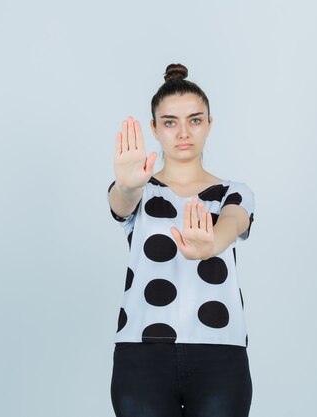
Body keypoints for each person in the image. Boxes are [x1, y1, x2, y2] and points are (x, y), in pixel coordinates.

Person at [107, 63, 255, 417]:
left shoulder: (233, 192)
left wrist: (212, 243)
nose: (183, 132)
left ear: (209, 124)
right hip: (142, 354)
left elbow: (234, 221)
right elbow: (120, 203)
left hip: (221, 354)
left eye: (195, 119)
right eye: (170, 122)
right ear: (155, 128)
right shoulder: (139, 190)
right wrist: (128, 185)